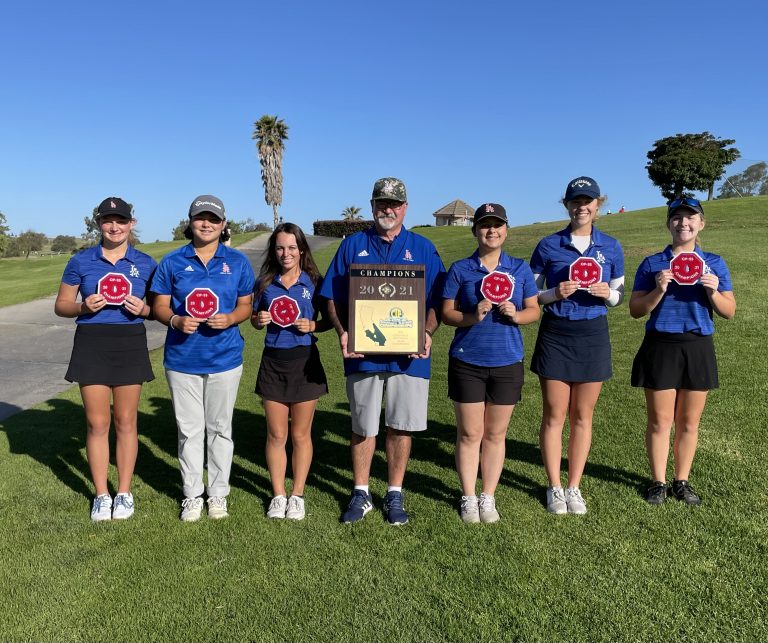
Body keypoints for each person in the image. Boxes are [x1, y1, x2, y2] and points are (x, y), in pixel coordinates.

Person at [319, 177, 446, 525]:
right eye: (380, 203)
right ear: (372, 205)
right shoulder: (353, 245)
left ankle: (394, 493)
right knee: (362, 425)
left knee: (400, 425)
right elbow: (331, 295)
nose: (387, 209)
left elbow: (438, 300)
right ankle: (361, 492)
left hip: (410, 357)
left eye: (394, 203)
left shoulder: (422, 247)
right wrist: (344, 333)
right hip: (364, 353)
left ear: (405, 207)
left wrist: (427, 331)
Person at [151, 195, 255, 522]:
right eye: (200, 218)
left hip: (225, 358)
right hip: (182, 359)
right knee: (189, 431)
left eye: (213, 219)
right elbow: (159, 306)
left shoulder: (237, 262)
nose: (206, 224)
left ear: (224, 224)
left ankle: (219, 494)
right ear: (190, 222)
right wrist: (175, 321)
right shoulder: (172, 262)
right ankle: (193, 495)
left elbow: (246, 306)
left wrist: (232, 318)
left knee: (221, 429)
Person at [54, 197, 156, 521]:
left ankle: (124, 492)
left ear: (131, 224)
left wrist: (145, 309)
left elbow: (159, 307)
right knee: (98, 423)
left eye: (121, 221)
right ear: (98, 223)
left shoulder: (146, 263)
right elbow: (62, 305)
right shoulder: (81, 261)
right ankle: (101, 494)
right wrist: (84, 307)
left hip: (129, 341)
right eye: (108, 220)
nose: (114, 226)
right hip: (92, 342)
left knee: (126, 421)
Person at [629, 198, 735, 505]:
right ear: (668, 224)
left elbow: (729, 311)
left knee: (689, 422)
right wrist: (658, 290)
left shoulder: (714, 262)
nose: (683, 223)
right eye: (676, 217)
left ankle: (682, 481)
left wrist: (713, 291)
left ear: (701, 223)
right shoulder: (653, 263)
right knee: (660, 421)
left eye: (690, 217)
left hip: (697, 346)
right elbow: (636, 310)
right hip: (661, 345)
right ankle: (658, 482)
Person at [529, 177, 625, 515]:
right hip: (556, 333)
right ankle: (555, 487)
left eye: (588, 201)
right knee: (555, 414)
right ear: (566, 205)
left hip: (593, 334)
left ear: (598, 205)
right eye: (575, 201)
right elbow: (531, 296)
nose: (581, 206)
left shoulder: (611, 246)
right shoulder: (548, 245)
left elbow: (619, 295)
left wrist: (606, 294)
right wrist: (555, 293)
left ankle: (574, 487)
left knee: (583, 415)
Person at [442, 204, 540, 523]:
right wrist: (472, 316)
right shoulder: (460, 269)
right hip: (467, 360)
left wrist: (516, 314)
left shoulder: (519, 269)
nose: (491, 230)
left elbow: (533, 311)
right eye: (485, 225)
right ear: (475, 231)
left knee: (496, 435)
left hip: (507, 360)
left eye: (497, 225)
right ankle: (469, 496)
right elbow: (447, 314)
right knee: (470, 433)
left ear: (506, 230)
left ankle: (488, 497)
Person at [252, 223, 330, 521]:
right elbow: (255, 320)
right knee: (276, 433)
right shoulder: (265, 283)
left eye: (292, 247)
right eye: (281, 247)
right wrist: (259, 320)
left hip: (305, 362)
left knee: (300, 434)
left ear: (301, 250)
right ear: (274, 250)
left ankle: (297, 495)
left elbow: (329, 320)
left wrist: (314, 325)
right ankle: (278, 494)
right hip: (273, 362)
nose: (286, 253)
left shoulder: (314, 282)